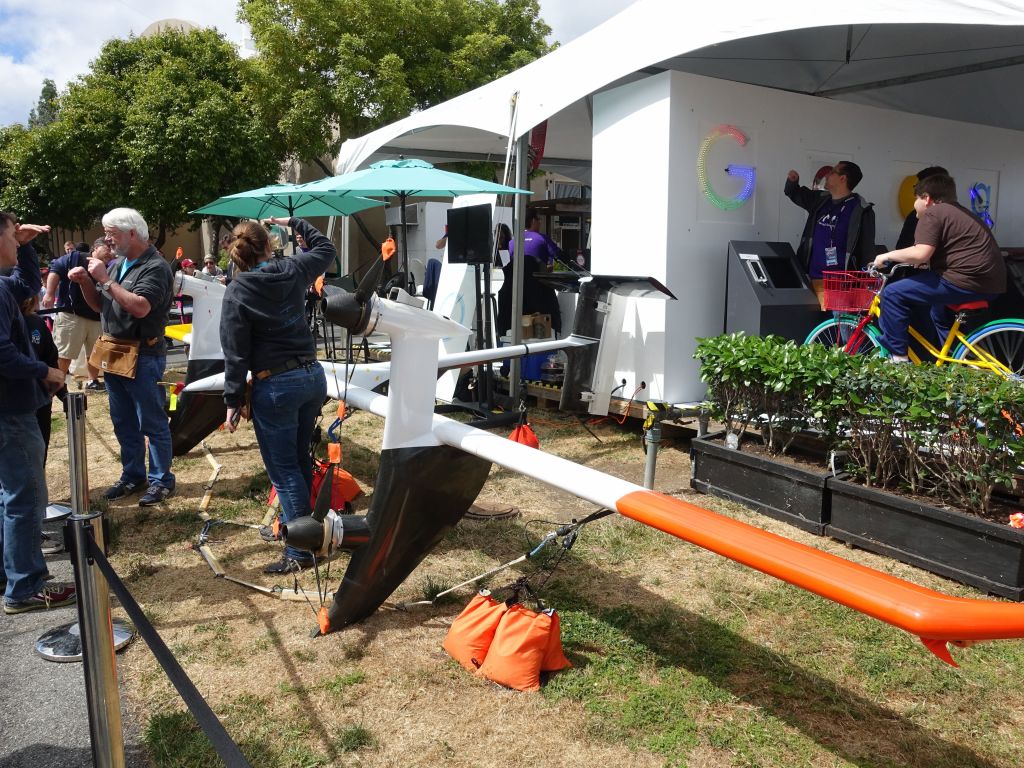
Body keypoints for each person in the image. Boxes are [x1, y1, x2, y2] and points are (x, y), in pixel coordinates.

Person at [220, 216, 332, 574]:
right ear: (269, 244)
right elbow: (326, 249)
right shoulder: (293, 268)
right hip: (311, 377)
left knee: (284, 471)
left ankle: (301, 551)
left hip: (277, 386)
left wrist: (233, 401)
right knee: (298, 462)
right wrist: (297, 222)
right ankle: (306, 530)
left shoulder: (238, 290)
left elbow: (235, 351)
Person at [68, 207, 176, 506]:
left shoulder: (155, 266)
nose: (107, 239)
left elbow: (140, 307)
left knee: (151, 421)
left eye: (111, 233)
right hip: (115, 352)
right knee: (123, 420)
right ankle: (133, 475)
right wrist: (87, 283)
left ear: (132, 233)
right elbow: (101, 307)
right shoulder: (118, 265)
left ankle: (161, 480)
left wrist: (103, 279)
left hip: (143, 354)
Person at [0, 211, 76, 614]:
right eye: (12, 235)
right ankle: (24, 588)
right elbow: (3, 356)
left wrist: (26, 246)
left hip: (12, 408)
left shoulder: (3, 286)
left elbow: (27, 285)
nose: (17, 239)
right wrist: (45, 369)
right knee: (25, 498)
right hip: (11, 410)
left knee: (10, 495)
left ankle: (12, 574)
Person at [873, 174, 1006, 362]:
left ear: (926, 198)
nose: (914, 205)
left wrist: (886, 256)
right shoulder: (959, 212)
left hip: (964, 281)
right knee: (939, 310)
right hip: (990, 284)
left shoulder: (934, 213)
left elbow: (921, 253)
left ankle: (898, 360)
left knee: (893, 294)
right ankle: (956, 361)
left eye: (915, 198)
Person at [785, 161, 876, 307]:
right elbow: (794, 193)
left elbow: (867, 250)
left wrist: (866, 282)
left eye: (833, 171)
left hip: (840, 285)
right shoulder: (821, 200)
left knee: (838, 329)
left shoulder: (861, 209)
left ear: (843, 178)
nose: (827, 175)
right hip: (811, 279)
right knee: (815, 329)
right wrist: (792, 182)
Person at [43, 238, 112, 391]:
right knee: (64, 353)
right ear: (96, 247)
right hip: (71, 314)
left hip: (96, 316)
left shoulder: (112, 265)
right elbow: (56, 269)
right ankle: (57, 384)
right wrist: (49, 293)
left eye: (112, 247)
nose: (111, 252)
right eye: (108, 247)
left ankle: (92, 381)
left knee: (95, 353)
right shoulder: (76, 257)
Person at [496, 212, 562, 339]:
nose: (540, 222)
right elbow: (560, 256)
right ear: (533, 221)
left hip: (515, 295)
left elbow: (509, 265)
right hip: (538, 294)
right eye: (539, 219)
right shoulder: (541, 238)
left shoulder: (512, 242)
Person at [895, 166, 948, 249]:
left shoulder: (917, 215)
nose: (916, 192)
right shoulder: (961, 215)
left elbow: (906, 249)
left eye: (918, 187)